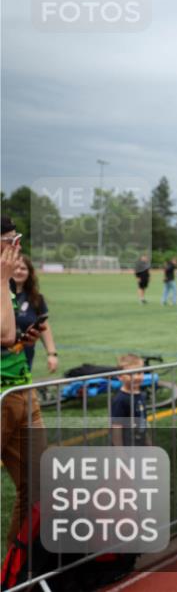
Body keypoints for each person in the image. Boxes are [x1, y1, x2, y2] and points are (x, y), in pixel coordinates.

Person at [0, 217, 47, 544]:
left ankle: (17, 571)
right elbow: (3, 333)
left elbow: (7, 340)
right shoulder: (3, 281)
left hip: (21, 390)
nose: (18, 247)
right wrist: (2, 280)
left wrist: (21, 343)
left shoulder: (9, 286)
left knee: (39, 483)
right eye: (10, 241)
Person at [10, 255, 58, 375]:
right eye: (15, 268)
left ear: (29, 273)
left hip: (24, 358)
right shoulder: (2, 295)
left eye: (23, 268)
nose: (18, 271)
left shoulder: (36, 299)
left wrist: (52, 354)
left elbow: (44, 327)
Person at [110, 354, 151, 447]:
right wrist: (119, 451)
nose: (136, 377)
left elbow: (142, 421)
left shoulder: (141, 394)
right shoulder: (120, 400)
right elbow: (116, 427)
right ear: (120, 377)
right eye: (130, 374)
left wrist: (148, 443)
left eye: (139, 372)